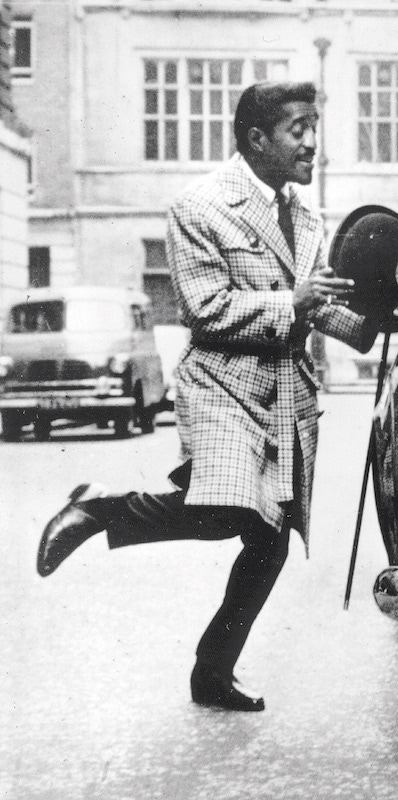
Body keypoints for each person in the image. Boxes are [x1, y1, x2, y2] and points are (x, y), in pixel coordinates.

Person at [36, 81, 379, 712]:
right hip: (221, 382)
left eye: (313, 126)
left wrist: (382, 322)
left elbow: (324, 310)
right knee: (234, 514)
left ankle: (211, 672)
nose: (311, 142)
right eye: (297, 129)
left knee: (268, 541)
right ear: (256, 138)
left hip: (283, 394)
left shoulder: (305, 214)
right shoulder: (199, 207)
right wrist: (291, 302)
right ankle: (103, 507)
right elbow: (206, 309)